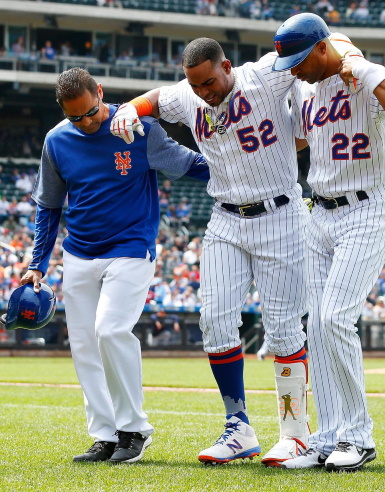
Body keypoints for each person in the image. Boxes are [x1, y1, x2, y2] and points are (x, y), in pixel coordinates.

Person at [110, 37, 310, 467]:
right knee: (215, 321)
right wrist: (130, 108)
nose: (204, 92)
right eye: (195, 84)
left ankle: (295, 435)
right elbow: (158, 99)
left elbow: (311, 55)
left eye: (209, 81)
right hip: (225, 217)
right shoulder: (189, 94)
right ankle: (238, 428)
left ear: (227, 65)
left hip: (280, 213)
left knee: (282, 329)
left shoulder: (266, 75)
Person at [20, 68, 209, 465]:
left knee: (110, 329)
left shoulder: (136, 128)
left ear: (100, 93)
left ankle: (134, 429)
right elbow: (48, 205)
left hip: (130, 247)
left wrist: (248, 168)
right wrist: (37, 262)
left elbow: (193, 164)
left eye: (90, 112)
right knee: (85, 346)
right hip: (79, 253)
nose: (86, 122)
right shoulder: (57, 141)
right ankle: (104, 435)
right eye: (76, 117)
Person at [272, 13, 385, 472]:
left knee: (336, 317)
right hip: (321, 211)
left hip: (367, 205)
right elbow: (298, 138)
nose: (293, 70)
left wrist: (366, 69)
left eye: (300, 60)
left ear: (322, 49)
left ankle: (359, 437)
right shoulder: (306, 87)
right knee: (317, 325)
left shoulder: (363, 74)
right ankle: (331, 434)